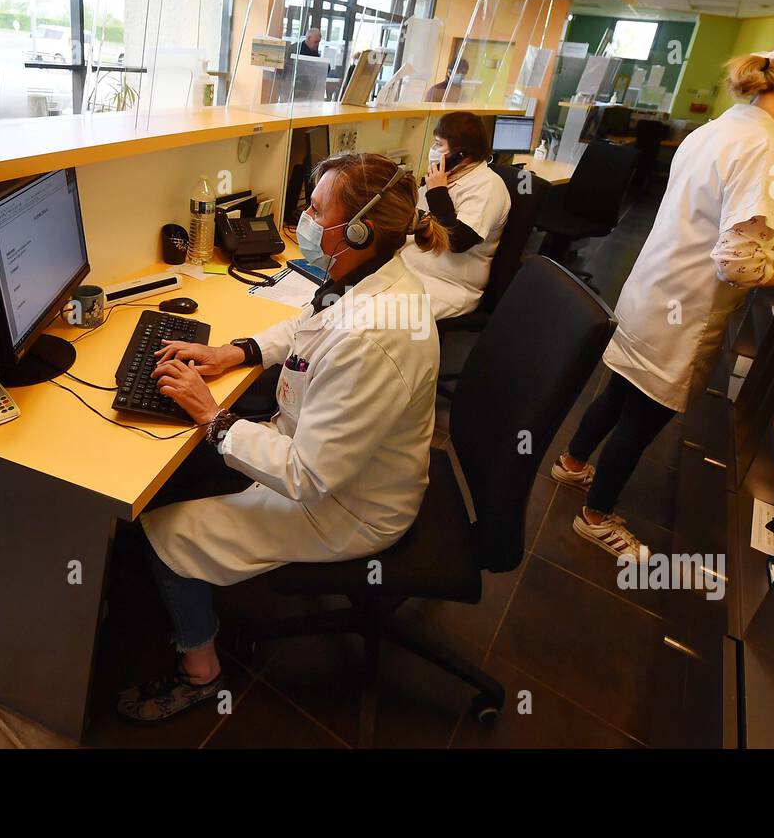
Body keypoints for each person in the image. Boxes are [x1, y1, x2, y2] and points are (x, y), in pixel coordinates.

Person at [117, 152, 448, 722]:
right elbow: (308, 324)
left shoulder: (376, 336)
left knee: (160, 530)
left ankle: (201, 672)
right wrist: (232, 353)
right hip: (329, 458)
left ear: (360, 229)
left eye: (317, 210)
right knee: (184, 469)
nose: (304, 222)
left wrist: (212, 416)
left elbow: (307, 476)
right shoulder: (367, 279)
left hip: (346, 506)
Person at [550, 27, 774, 561]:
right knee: (643, 417)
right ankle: (595, 517)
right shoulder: (765, 151)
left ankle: (573, 465)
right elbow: (736, 264)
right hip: (686, 308)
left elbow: (707, 221)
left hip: (653, 288)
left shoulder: (720, 128)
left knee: (620, 388)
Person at [400, 111, 511, 319]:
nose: (432, 150)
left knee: (384, 316)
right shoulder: (445, 176)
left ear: (460, 154)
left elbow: (458, 241)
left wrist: (437, 193)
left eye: (439, 144)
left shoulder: (488, 186)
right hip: (413, 265)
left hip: (448, 284)